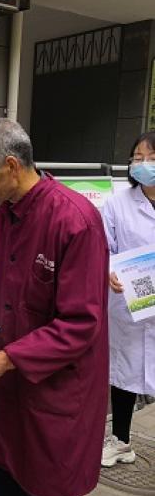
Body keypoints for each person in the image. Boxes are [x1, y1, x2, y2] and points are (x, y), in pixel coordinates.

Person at [0, 118, 109, 496]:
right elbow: (11, 281)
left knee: (45, 491)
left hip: (54, 391)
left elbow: (80, 324)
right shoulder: (8, 212)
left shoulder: (74, 221)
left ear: (11, 166)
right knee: (6, 486)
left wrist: (8, 358)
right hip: (11, 392)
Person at [101, 131, 155, 467]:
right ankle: (121, 441)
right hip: (129, 303)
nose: (144, 163)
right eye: (138, 157)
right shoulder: (116, 203)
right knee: (125, 375)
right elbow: (103, 247)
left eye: (152, 157)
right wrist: (108, 270)